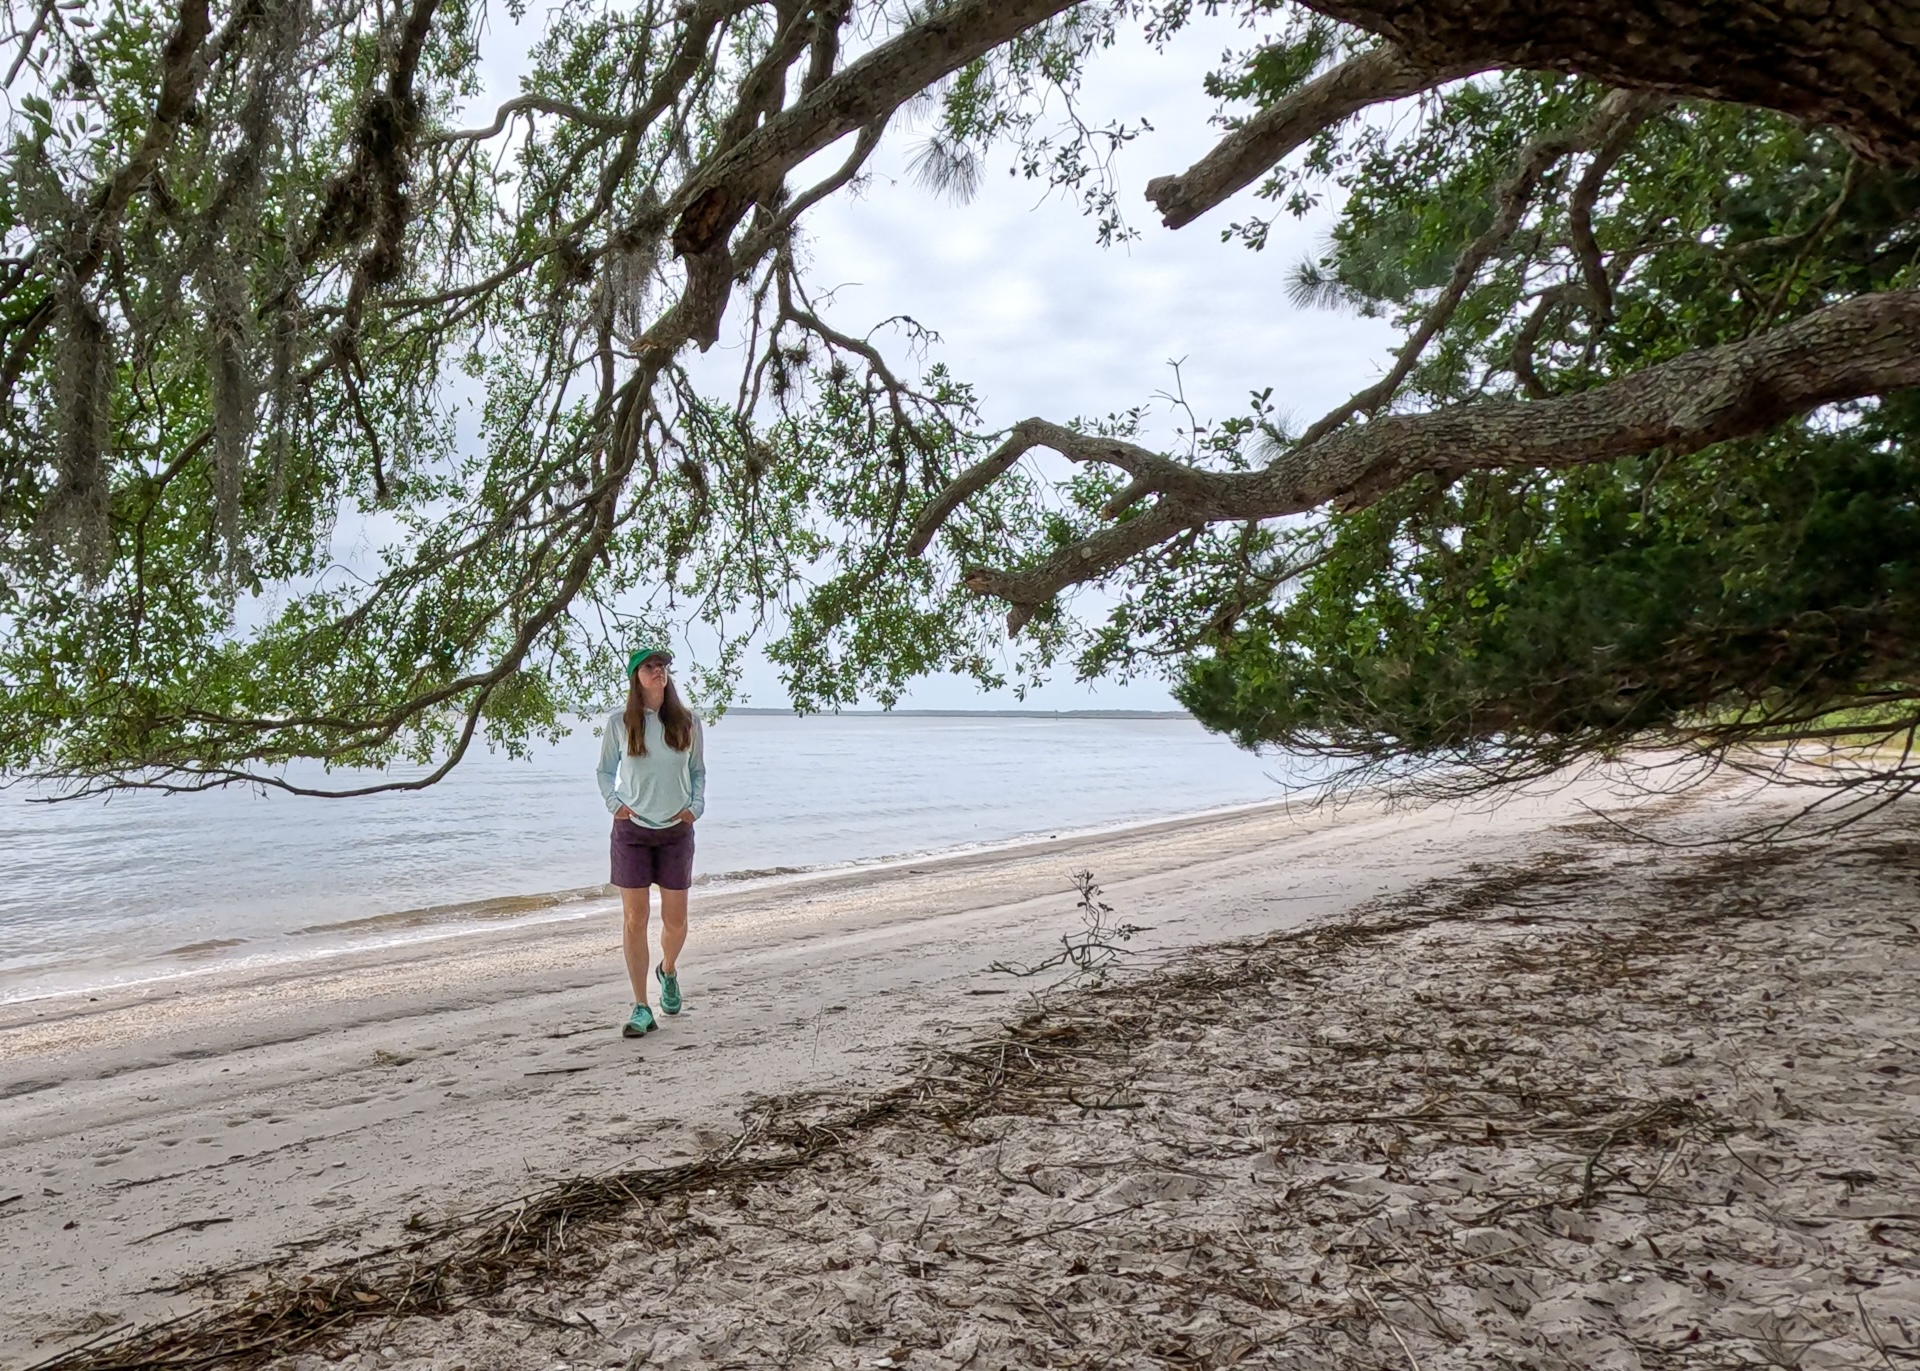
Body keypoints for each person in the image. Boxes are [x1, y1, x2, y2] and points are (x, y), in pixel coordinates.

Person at [595, 644, 705, 1037]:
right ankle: (641, 1006)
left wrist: (696, 806)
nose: (659, 671)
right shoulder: (619, 724)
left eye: (662, 666)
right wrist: (615, 804)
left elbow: (698, 772)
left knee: (676, 923)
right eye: (650, 666)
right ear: (636, 677)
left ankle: (668, 970)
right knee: (634, 918)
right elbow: (605, 771)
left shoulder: (687, 722)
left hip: (676, 831)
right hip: (632, 832)